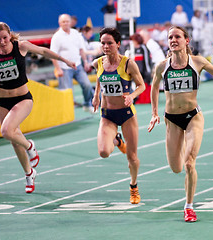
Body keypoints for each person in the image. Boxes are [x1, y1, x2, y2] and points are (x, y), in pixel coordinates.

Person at [0, 22, 76, 193]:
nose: (2, 42)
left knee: (7, 131)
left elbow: (44, 51)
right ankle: (29, 173)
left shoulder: (20, 46)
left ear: (10, 36)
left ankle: (30, 146)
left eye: (5, 38)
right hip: (2, 100)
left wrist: (64, 60)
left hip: (22, 98)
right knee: (14, 141)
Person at [148, 26, 213, 222]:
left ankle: (189, 206)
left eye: (177, 36)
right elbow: (153, 87)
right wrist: (154, 113)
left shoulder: (197, 62)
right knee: (176, 168)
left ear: (186, 40)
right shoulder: (162, 66)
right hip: (172, 120)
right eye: (170, 37)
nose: (173, 40)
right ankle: (183, 144)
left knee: (189, 163)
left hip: (193, 117)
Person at [92, 28, 145, 204]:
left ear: (118, 44)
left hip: (127, 114)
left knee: (132, 157)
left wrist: (131, 96)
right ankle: (118, 141)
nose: (106, 46)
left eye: (109, 43)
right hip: (107, 115)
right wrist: (96, 95)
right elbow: (99, 79)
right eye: (103, 43)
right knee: (104, 152)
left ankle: (134, 186)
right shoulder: (98, 63)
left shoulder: (128, 64)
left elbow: (141, 85)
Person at [51, 14, 95, 113]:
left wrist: (86, 62)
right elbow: (53, 55)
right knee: (67, 91)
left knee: (87, 85)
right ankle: (67, 112)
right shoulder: (56, 37)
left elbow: (81, 50)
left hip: (78, 66)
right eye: (63, 22)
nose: (65, 23)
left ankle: (87, 104)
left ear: (70, 22)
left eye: (67, 21)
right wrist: (58, 68)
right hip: (64, 68)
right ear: (60, 23)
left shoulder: (76, 33)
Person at [129, 33, 152, 104]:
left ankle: (146, 99)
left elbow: (147, 60)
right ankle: (140, 99)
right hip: (138, 72)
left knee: (144, 85)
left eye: (133, 41)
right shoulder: (134, 49)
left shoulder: (143, 48)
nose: (133, 43)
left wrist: (148, 71)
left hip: (144, 71)